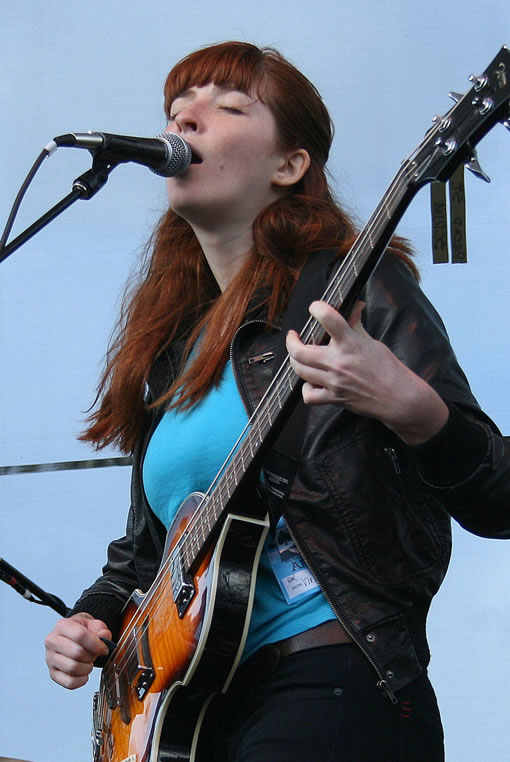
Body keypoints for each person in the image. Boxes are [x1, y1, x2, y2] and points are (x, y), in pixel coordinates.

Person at [44, 41, 510, 761]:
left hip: (332, 685)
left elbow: (500, 496)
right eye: (178, 108)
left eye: (227, 107)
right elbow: (145, 556)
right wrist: (93, 619)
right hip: (195, 712)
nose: (187, 117)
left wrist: (410, 405)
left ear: (290, 166)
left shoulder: (353, 295)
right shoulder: (173, 351)